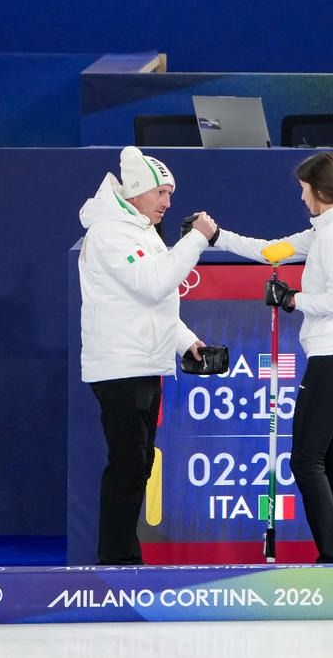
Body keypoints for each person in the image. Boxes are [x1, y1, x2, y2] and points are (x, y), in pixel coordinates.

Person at [211, 151, 333, 563]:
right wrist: (217, 235)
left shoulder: (332, 235)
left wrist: (293, 299)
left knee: (306, 462)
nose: (301, 197)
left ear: (321, 191)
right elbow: (272, 251)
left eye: (304, 189)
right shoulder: (330, 226)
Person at [79, 146, 217, 564]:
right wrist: (196, 238)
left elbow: (154, 302)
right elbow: (154, 284)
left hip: (144, 364)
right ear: (137, 191)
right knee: (127, 465)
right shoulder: (111, 233)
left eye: (170, 194)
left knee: (138, 466)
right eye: (162, 193)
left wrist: (186, 341)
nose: (168, 203)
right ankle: (116, 560)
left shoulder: (140, 230)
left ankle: (124, 556)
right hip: (120, 367)